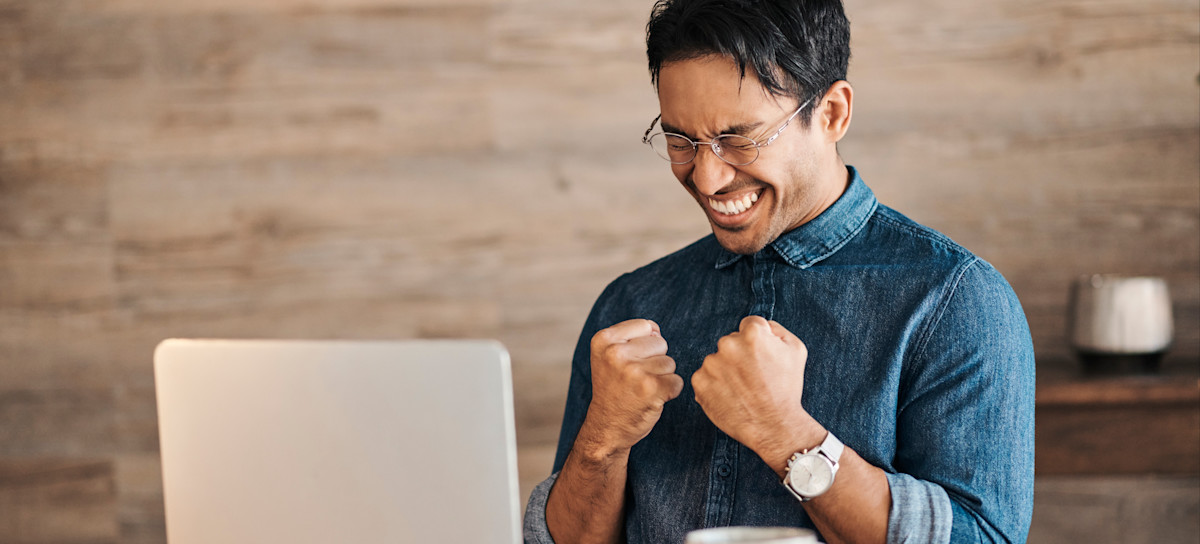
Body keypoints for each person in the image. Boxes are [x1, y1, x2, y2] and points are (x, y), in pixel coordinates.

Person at [523, 0, 1035, 542]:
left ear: (833, 113)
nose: (708, 177)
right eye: (680, 142)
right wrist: (601, 441)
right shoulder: (630, 304)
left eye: (739, 139)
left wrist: (785, 433)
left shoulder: (954, 300)